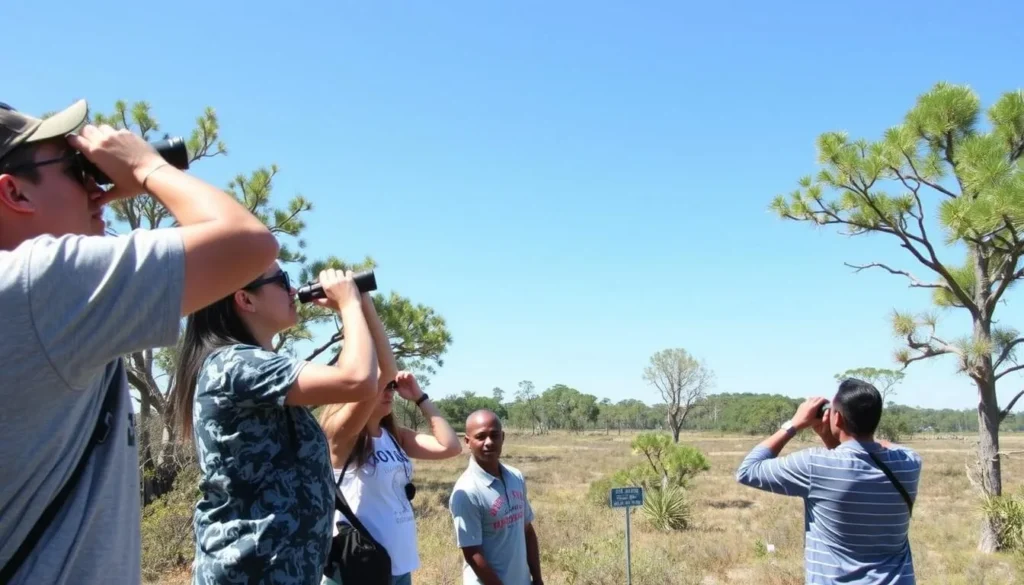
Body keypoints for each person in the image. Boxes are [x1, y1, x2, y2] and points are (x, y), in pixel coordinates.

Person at [0, 100, 279, 585]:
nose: (96, 186)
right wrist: (145, 167)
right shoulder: (34, 285)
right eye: (75, 168)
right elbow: (249, 245)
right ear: (14, 191)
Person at [168, 266, 380, 585]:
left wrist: (362, 306)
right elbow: (357, 379)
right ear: (245, 299)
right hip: (249, 573)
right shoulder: (233, 363)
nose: (293, 290)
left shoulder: (258, 369)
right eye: (282, 281)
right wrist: (348, 305)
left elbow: (373, 378)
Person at [735, 378, 922, 584]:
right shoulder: (909, 463)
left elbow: (748, 470)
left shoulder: (815, 465)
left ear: (838, 418)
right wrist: (832, 437)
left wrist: (794, 424)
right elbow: (867, 455)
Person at [319, 332, 462, 585]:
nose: (389, 392)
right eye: (381, 385)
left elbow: (450, 447)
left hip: (397, 564)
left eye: (391, 386)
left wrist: (420, 397)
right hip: (357, 565)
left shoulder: (395, 436)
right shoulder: (343, 437)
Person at [449, 410, 543, 585]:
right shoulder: (467, 491)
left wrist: (537, 578)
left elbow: (527, 531)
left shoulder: (515, 477)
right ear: (468, 442)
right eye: (481, 436)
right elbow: (472, 554)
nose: (489, 442)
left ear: (503, 437)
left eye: (494, 435)